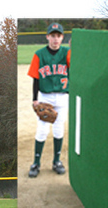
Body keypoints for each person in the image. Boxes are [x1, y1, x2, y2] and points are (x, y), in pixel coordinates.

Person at [27, 23, 71, 178]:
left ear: (62, 38)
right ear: (47, 37)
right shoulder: (39, 54)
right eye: (52, 36)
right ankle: (36, 163)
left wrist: (77, 50)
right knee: (42, 130)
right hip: (45, 97)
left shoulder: (67, 53)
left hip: (63, 96)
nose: (55, 39)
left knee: (59, 129)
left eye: (58, 36)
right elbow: (36, 78)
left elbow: (77, 68)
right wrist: (34, 99)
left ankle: (56, 161)